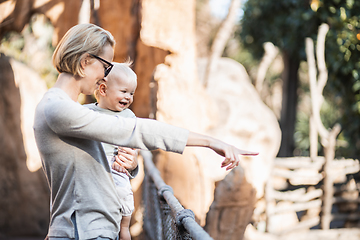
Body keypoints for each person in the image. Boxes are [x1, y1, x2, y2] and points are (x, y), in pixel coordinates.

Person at [33, 23, 258, 240]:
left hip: (91, 229)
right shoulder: (58, 109)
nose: (106, 76)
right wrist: (209, 142)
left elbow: (81, 170)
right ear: (85, 62)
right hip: (84, 232)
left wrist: (131, 166)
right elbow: (136, 129)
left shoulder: (69, 110)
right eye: (106, 66)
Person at [84, 61, 138, 240]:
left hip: (116, 168)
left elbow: (133, 141)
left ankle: (124, 228)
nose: (129, 97)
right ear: (103, 89)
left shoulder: (129, 116)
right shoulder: (86, 112)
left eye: (131, 93)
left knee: (124, 193)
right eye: (124, 92)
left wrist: (131, 160)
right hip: (92, 170)